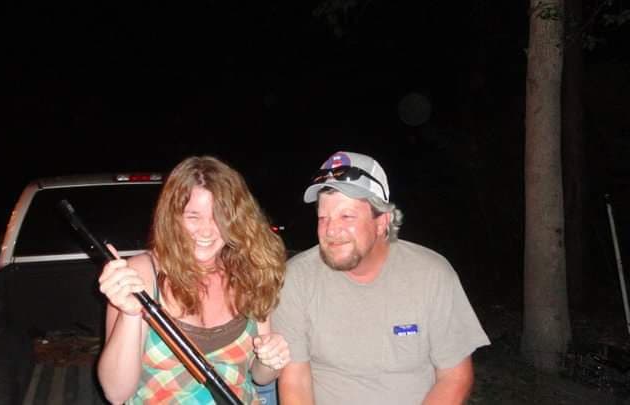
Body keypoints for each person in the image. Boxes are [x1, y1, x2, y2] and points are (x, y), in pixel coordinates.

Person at [272, 151, 490, 405]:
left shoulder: (432, 274)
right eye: (323, 217)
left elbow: (455, 376)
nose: (331, 229)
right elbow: (295, 381)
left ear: (382, 222)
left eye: (347, 216)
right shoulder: (298, 278)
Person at [97, 156, 290, 404]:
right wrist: (130, 314)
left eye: (218, 217)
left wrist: (270, 359)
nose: (207, 231)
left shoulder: (251, 272)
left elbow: (260, 377)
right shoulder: (140, 276)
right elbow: (116, 393)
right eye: (193, 216)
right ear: (173, 218)